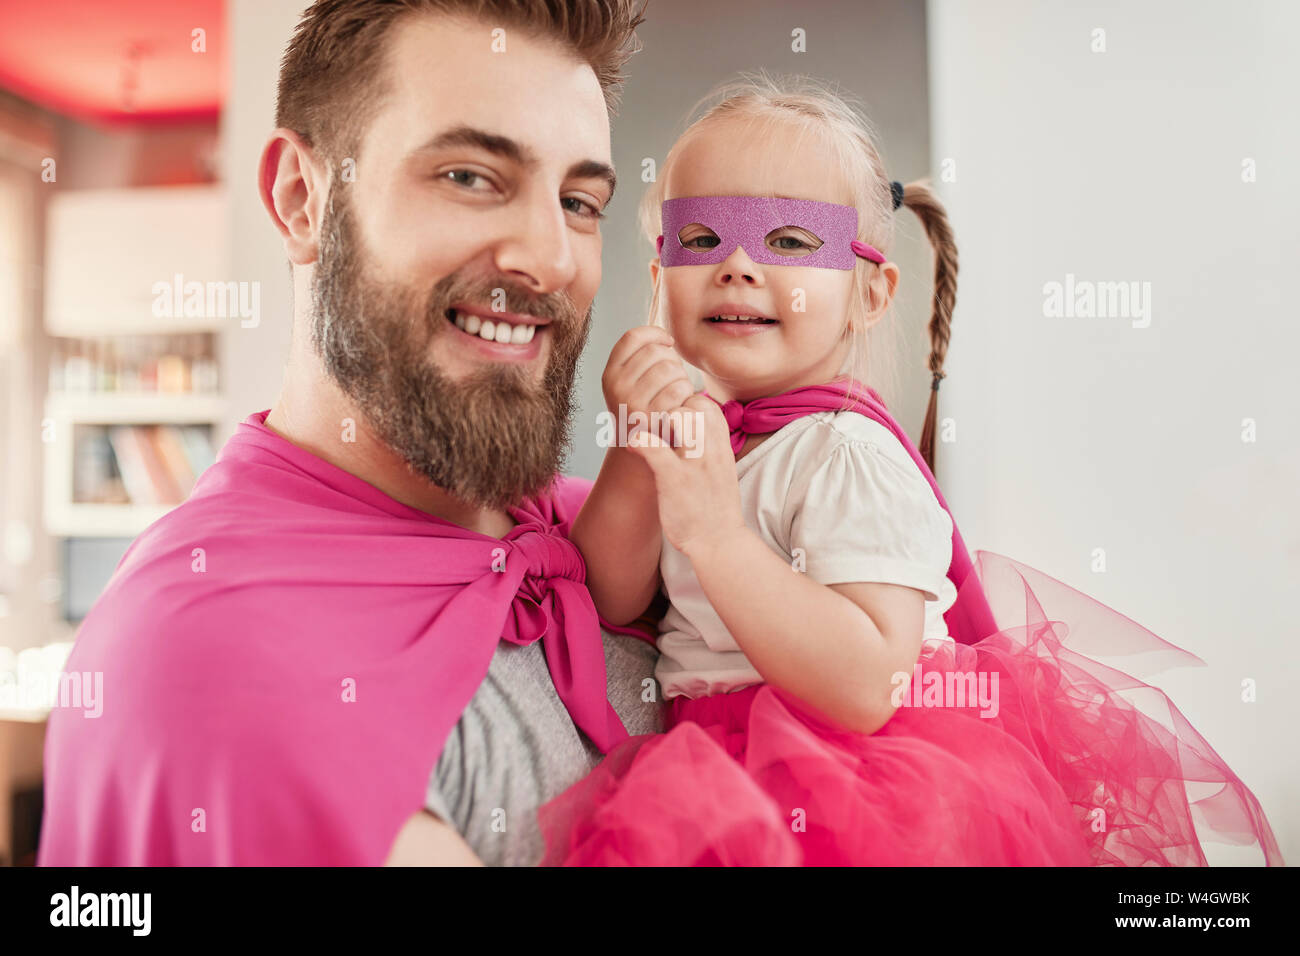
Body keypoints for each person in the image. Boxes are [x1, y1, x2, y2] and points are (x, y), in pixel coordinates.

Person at [537, 74, 1285, 866]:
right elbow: (609, 598)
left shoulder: (846, 456)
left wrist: (719, 537)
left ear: (869, 295)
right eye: (700, 239)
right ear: (658, 283)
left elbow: (868, 685)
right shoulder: (702, 439)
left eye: (789, 240)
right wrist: (637, 440)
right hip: (709, 768)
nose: (737, 265)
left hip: (850, 781)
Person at [37, 0, 659, 867]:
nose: (550, 257)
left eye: (579, 200)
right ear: (302, 199)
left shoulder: (610, 534)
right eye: (470, 176)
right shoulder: (220, 669)